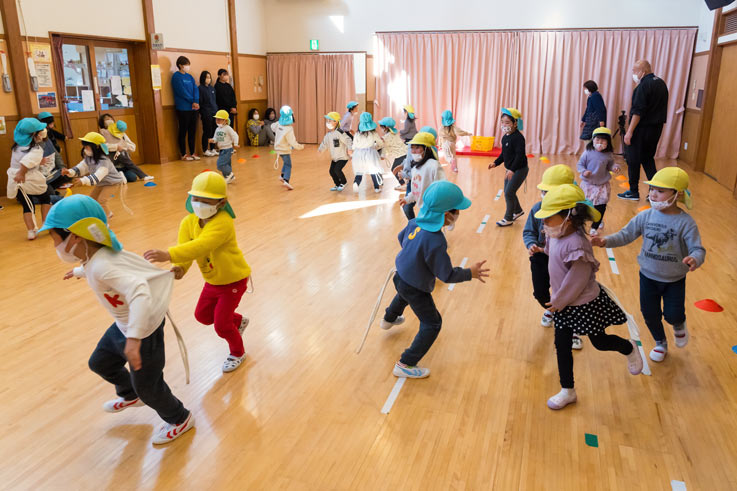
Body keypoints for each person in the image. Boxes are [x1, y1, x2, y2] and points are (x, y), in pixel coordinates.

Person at [40, 194, 194, 445]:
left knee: (149, 386)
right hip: (126, 325)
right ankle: (130, 394)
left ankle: (180, 418)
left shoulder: (102, 265)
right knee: (100, 363)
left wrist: (133, 339)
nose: (54, 244)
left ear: (75, 236)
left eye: (54, 238)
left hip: (143, 331)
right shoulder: (95, 256)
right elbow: (101, 270)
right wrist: (80, 272)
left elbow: (140, 292)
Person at [535, 184, 643, 410]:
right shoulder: (555, 235)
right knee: (561, 346)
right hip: (563, 304)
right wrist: (541, 252)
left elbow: (576, 281)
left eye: (549, 218)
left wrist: (557, 302)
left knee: (600, 342)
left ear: (569, 217)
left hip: (582, 303)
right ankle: (568, 390)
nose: (544, 224)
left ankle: (629, 348)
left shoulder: (578, 243)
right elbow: (554, 257)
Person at [592, 167, 705, 363]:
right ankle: (660, 343)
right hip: (647, 277)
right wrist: (606, 241)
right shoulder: (646, 216)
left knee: (673, 314)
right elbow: (626, 234)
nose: (653, 193)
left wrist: (694, 259)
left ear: (676, 194)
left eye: (660, 191)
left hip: (674, 279)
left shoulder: (686, 222)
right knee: (650, 314)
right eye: (652, 189)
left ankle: (678, 324)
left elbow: (698, 249)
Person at [144, 172, 251, 373]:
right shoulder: (188, 223)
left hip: (233, 281)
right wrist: (181, 267)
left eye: (207, 200)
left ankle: (238, 352)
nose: (200, 204)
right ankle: (237, 321)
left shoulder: (223, 223)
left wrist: (168, 255)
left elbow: (201, 246)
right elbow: (186, 247)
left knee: (221, 326)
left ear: (221, 203)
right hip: (213, 281)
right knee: (202, 316)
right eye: (196, 199)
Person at [382, 181, 489, 378]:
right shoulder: (437, 241)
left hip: (400, 275)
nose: (458, 215)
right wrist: (469, 272)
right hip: (416, 287)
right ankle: (406, 363)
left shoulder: (414, 222)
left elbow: (401, 238)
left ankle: (388, 318)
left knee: (403, 294)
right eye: (457, 211)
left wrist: (412, 255)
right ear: (447, 215)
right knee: (432, 324)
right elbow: (446, 275)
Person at [522, 164, 583, 350]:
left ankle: (572, 328)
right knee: (540, 293)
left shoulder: (572, 214)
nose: (545, 196)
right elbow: (528, 232)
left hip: (563, 260)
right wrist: (532, 244)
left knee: (566, 292)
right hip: (540, 258)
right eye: (544, 191)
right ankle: (552, 309)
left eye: (551, 192)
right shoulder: (537, 209)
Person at [618, 60, 669, 201]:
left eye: (635, 71)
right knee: (647, 159)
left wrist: (629, 132)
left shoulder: (643, 86)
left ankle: (633, 191)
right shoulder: (661, 83)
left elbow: (638, 112)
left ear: (643, 71)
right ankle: (658, 191)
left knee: (633, 159)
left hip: (642, 129)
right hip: (656, 128)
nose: (633, 74)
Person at [61, 132, 128, 218]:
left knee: (101, 201)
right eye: (84, 147)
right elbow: (81, 167)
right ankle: (103, 215)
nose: (85, 149)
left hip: (112, 183)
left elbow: (98, 176)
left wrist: (83, 180)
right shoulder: (89, 158)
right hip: (102, 183)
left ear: (95, 147)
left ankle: (106, 217)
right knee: (92, 200)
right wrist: (70, 172)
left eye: (86, 147)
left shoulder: (104, 162)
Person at [7, 118, 53, 240]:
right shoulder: (37, 149)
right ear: (34, 134)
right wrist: (22, 173)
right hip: (25, 178)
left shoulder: (17, 146)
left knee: (28, 205)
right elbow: (26, 162)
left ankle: (31, 231)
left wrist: (38, 162)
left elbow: (25, 160)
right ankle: (46, 224)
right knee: (46, 198)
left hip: (15, 179)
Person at [489, 108, 529, 227]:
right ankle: (517, 211)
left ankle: (508, 218)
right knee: (509, 192)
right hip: (510, 169)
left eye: (507, 122)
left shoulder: (518, 138)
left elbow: (519, 156)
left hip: (519, 169)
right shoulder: (505, 137)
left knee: (508, 193)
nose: (504, 125)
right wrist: (495, 163)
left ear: (515, 123)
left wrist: (512, 170)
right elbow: (504, 154)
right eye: (502, 122)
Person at [576, 127, 619, 235]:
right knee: (585, 205)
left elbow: (610, 165)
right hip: (588, 184)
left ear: (608, 142)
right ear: (593, 140)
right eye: (597, 140)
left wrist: (614, 167)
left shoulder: (608, 154)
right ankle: (581, 224)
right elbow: (580, 164)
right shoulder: (587, 152)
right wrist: (584, 171)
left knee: (601, 205)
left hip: (602, 185)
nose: (600, 143)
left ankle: (595, 226)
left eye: (603, 141)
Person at [399, 132, 446, 214]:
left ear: (426, 149)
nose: (413, 151)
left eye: (417, 148)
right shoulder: (415, 168)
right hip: (423, 209)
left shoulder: (433, 165)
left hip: (434, 209)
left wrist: (443, 208)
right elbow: (416, 190)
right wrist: (407, 199)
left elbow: (443, 187)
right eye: (412, 148)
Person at [98, 113, 153, 183]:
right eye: (107, 119)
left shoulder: (121, 133)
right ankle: (143, 175)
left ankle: (121, 176)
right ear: (102, 122)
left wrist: (124, 147)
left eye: (111, 119)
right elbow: (104, 146)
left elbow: (133, 147)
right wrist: (116, 147)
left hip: (124, 162)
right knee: (119, 155)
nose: (109, 120)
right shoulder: (102, 132)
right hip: (112, 161)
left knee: (132, 178)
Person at [170, 56, 200, 161]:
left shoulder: (190, 77)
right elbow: (181, 92)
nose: (188, 67)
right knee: (183, 131)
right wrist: (192, 101)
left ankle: (192, 152)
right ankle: (183, 154)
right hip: (183, 108)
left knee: (192, 131)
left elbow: (195, 89)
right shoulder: (176, 77)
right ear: (180, 65)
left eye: (188, 64)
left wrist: (196, 101)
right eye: (186, 65)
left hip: (193, 109)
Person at [271, 105, 304, 190]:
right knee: (289, 165)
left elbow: (272, 127)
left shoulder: (278, 124)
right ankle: (286, 180)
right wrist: (300, 147)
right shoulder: (289, 129)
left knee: (286, 163)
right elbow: (292, 142)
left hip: (278, 149)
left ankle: (282, 176)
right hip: (284, 150)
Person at [351, 112, 384, 193]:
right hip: (370, 153)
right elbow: (380, 144)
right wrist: (379, 144)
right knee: (374, 171)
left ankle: (356, 183)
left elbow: (354, 146)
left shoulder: (357, 134)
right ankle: (376, 188)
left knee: (359, 171)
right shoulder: (373, 133)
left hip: (358, 154)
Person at [318, 111, 352, 191]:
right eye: (328, 121)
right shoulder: (328, 134)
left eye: (330, 120)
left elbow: (348, 140)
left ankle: (343, 182)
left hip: (342, 157)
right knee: (331, 171)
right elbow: (324, 143)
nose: (328, 122)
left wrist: (350, 149)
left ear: (336, 122)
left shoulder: (340, 132)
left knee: (337, 170)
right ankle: (337, 184)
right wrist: (320, 150)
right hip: (334, 157)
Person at [209, 110, 239, 183]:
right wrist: (213, 140)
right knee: (226, 164)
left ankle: (230, 174)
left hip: (228, 149)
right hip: (221, 150)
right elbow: (216, 138)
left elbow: (235, 135)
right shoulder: (217, 129)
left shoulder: (228, 128)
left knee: (220, 164)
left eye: (219, 119)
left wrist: (235, 144)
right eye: (216, 119)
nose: (217, 121)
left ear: (225, 120)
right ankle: (227, 177)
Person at [378, 117, 407, 190]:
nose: (381, 129)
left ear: (386, 127)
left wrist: (382, 156)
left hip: (401, 155)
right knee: (401, 169)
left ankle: (403, 184)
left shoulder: (386, 137)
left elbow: (383, 146)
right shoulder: (394, 133)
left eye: (381, 127)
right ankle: (406, 183)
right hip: (405, 153)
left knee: (394, 169)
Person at [199, 70, 218, 157]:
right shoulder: (200, 88)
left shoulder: (212, 88)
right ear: (203, 78)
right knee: (207, 131)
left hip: (214, 112)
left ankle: (213, 148)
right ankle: (205, 149)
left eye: (209, 77)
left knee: (214, 131)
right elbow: (201, 103)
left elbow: (214, 101)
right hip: (206, 113)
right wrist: (204, 112)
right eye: (207, 77)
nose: (208, 79)